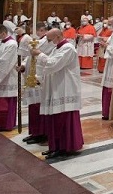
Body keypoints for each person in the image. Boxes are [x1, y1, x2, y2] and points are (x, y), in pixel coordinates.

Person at [31, 28, 84, 159]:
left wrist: (39, 54)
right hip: (56, 87)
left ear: (58, 36)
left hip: (65, 88)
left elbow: (53, 64)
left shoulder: (68, 48)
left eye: (50, 39)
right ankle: (55, 146)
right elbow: (49, 66)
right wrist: (40, 78)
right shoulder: (56, 49)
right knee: (54, 119)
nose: (48, 42)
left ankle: (65, 147)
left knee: (62, 120)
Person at [18, 22, 54, 144]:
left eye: (35, 31)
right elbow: (29, 56)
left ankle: (41, 133)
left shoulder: (48, 42)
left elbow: (36, 53)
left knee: (38, 107)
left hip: (40, 78)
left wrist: (27, 40)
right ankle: (34, 132)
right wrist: (23, 66)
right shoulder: (38, 41)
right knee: (32, 106)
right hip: (31, 77)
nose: (35, 33)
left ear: (42, 30)